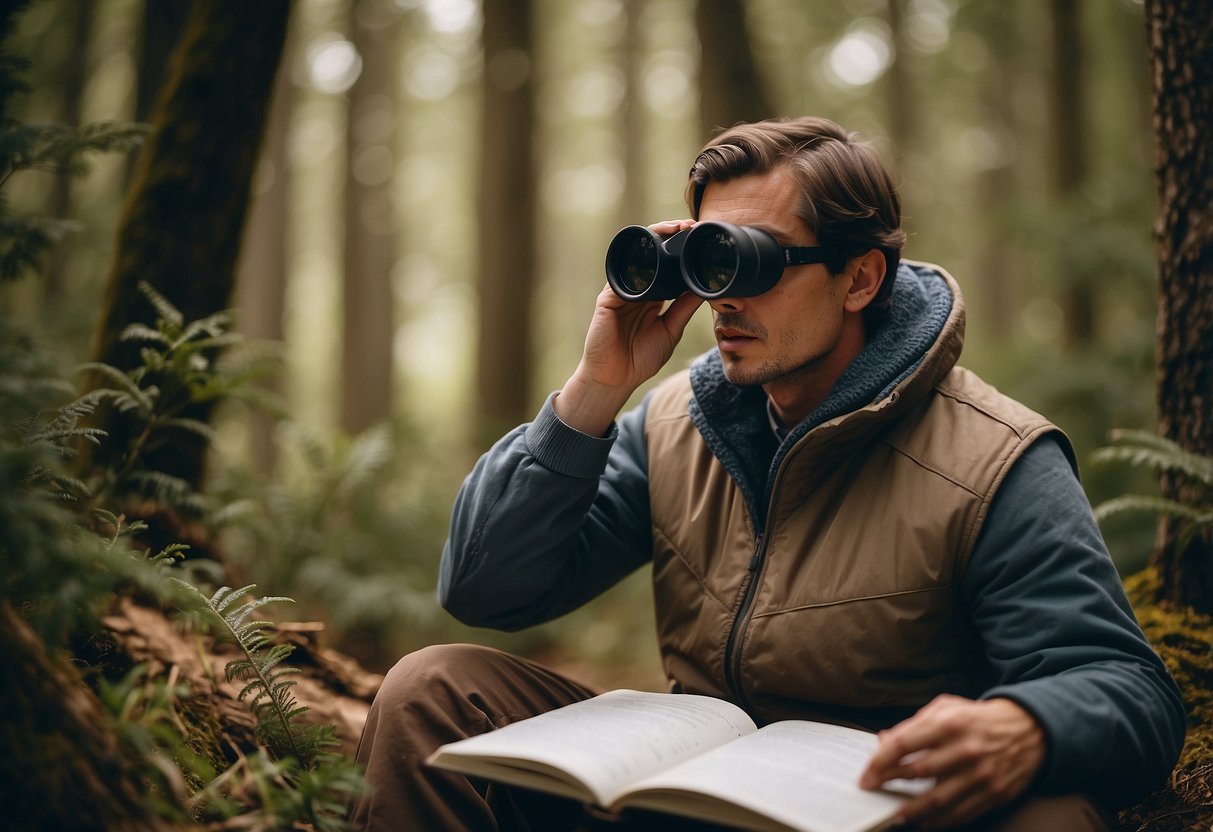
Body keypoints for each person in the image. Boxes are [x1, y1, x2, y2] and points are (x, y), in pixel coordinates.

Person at [351, 116, 1185, 831]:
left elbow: (1130, 693)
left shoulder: (992, 459)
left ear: (859, 276)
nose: (721, 297)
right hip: (690, 801)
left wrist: (1025, 725)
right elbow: (485, 588)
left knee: (1052, 815)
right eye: (708, 258)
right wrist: (596, 390)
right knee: (430, 689)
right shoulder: (676, 425)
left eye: (752, 260)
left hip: (879, 806)